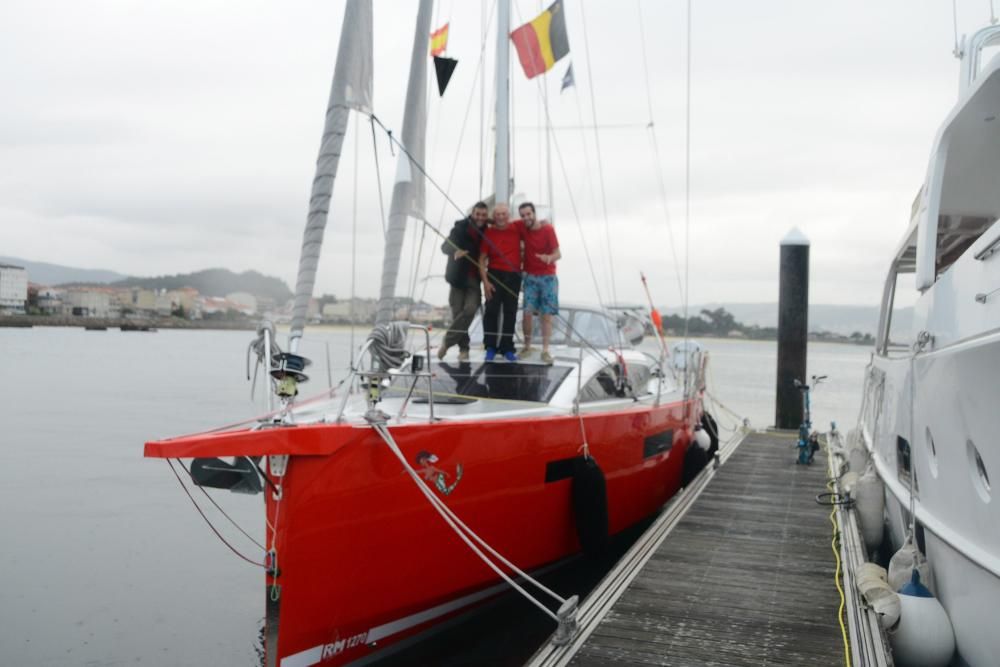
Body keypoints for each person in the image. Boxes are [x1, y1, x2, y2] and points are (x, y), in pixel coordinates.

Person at [439, 201, 489, 362]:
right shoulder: (460, 228)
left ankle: (447, 342)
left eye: (483, 215)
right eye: (477, 214)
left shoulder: (488, 231)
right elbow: (444, 247)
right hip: (457, 278)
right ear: (472, 214)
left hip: (474, 279)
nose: (480, 218)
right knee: (457, 313)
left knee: (470, 309)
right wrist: (456, 252)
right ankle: (464, 349)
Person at [517, 202, 561, 364]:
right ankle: (527, 346)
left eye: (528, 214)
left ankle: (545, 350)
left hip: (548, 277)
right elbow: (502, 223)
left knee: (546, 314)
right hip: (530, 277)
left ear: (534, 213)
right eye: (522, 215)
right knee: (527, 313)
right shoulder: (521, 227)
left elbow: (558, 253)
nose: (526, 218)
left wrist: (548, 258)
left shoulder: (548, 229)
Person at [479, 203, 523, 362]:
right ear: (494, 216)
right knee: (491, 311)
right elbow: (482, 259)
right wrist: (485, 282)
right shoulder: (489, 233)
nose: (501, 217)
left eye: (504, 214)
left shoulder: (517, 227)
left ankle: (507, 348)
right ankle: (490, 347)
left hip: (514, 275)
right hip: (494, 275)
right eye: (497, 214)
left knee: (510, 312)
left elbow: (534, 225)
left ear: (509, 215)